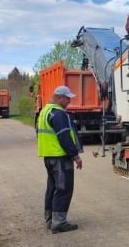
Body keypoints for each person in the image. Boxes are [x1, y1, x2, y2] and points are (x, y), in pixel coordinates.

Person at [36, 85, 83, 234]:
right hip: (60, 157)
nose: (69, 101)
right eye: (67, 98)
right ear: (59, 98)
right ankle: (59, 223)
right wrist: (75, 156)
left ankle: (50, 220)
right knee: (63, 189)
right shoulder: (58, 114)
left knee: (52, 188)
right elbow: (64, 137)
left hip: (48, 156)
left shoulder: (44, 112)